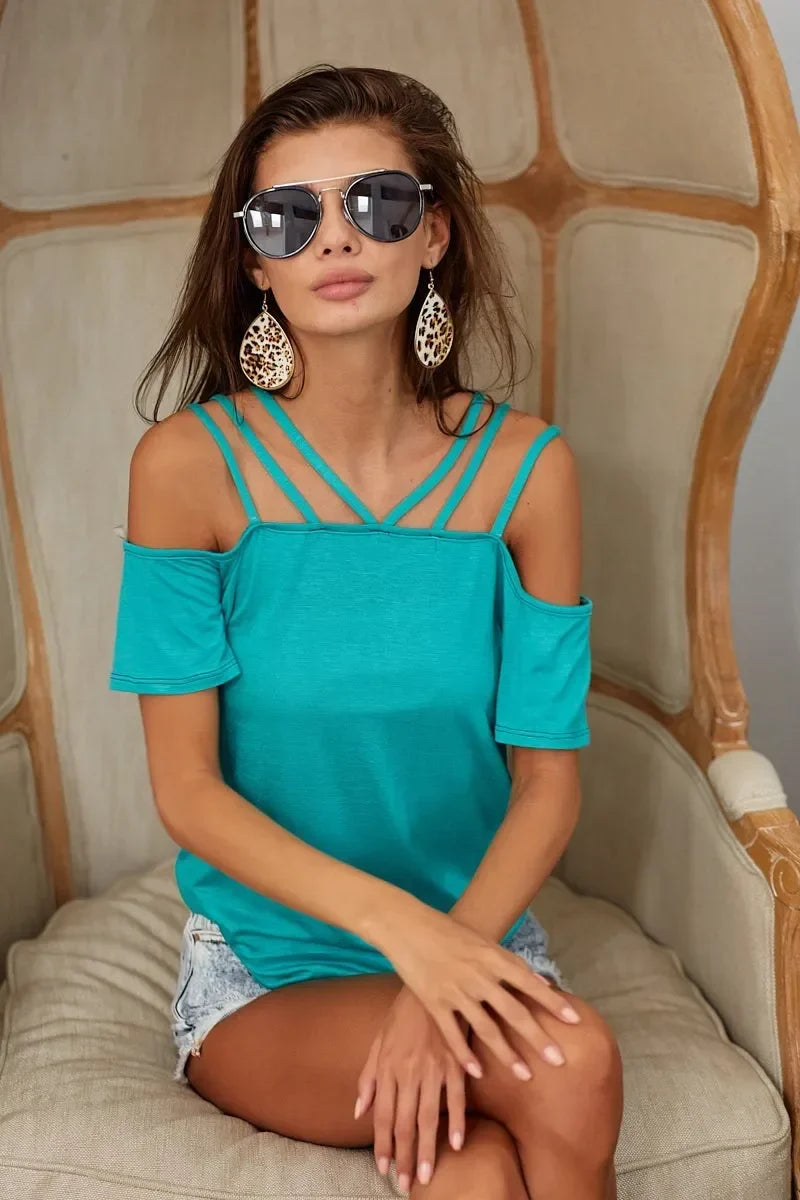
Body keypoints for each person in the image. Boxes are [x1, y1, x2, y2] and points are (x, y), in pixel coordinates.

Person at [108, 62, 623, 1200]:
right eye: (287, 216)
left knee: (476, 1178)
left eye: (377, 203)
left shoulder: (529, 473)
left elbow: (547, 782)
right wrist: (412, 950)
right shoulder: (187, 469)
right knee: (572, 1063)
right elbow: (188, 794)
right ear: (255, 263)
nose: (335, 238)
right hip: (271, 974)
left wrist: (448, 967)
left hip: (480, 941)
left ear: (433, 233)